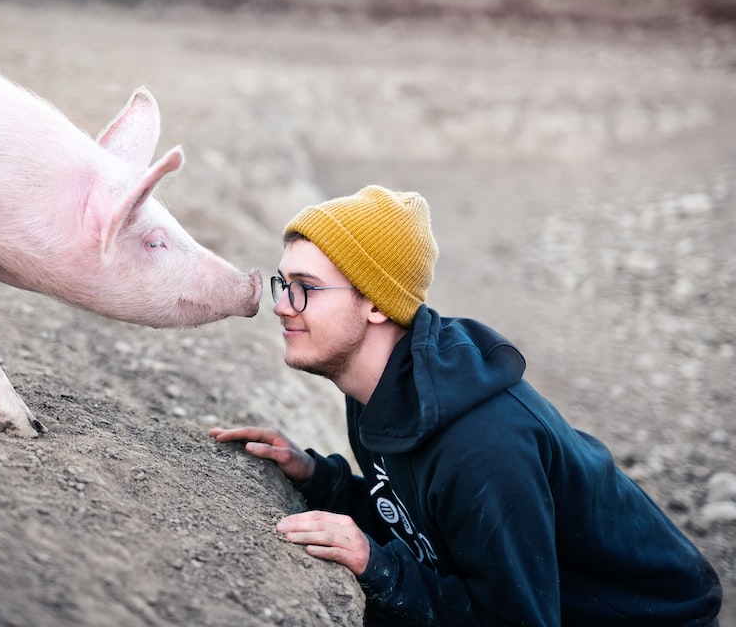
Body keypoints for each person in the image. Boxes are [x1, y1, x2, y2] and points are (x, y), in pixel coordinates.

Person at [211, 185, 722, 626]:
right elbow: (421, 520)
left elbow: (517, 620)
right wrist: (320, 481)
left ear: (376, 304)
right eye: (284, 284)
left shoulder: (483, 447)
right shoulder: (376, 391)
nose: (280, 304)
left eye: (305, 289)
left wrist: (381, 568)